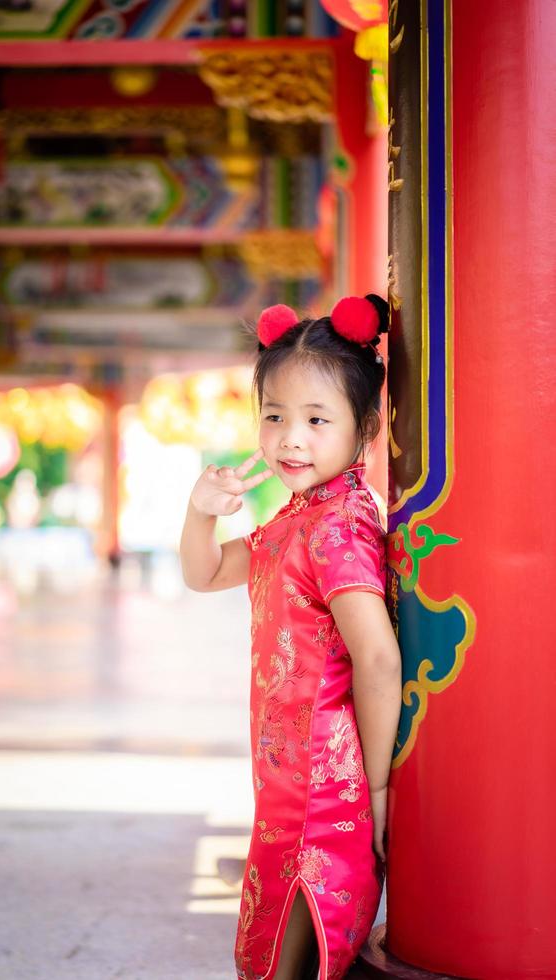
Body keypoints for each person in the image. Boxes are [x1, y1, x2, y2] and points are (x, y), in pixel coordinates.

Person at [180, 296, 402, 980]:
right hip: (287, 787)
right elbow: (207, 569)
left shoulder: (336, 526)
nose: (289, 439)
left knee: (290, 961)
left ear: (365, 428)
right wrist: (199, 510)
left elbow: (377, 655)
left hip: (324, 796)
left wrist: (378, 789)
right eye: (274, 416)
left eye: (315, 419)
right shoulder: (298, 519)